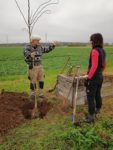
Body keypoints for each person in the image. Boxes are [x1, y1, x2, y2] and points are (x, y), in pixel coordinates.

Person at [83, 33, 106, 123]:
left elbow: (94, 66)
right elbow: (104, 65)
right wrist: (100, 73)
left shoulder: (94, 51)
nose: (90, 42)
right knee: (97, 94)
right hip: (100, 76)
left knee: (90, 97)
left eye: (91, 40)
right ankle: (98, 109)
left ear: (94, 41)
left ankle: (91, 117)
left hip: (94, 78)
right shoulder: (102, 51)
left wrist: (89, 77)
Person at [24, 36, 55, 100]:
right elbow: (25, 54)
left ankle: (41, 94)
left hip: (40, 66)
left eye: (39, 40)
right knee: (33, 81)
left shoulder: (39, 47)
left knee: (41, 80)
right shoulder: (27, 47)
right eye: (37, 40)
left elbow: (46, 50)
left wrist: (53, 46)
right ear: (33, 40)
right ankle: (33, 94)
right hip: (32, 66)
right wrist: (30, 55)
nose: (39, 41)